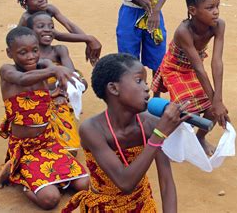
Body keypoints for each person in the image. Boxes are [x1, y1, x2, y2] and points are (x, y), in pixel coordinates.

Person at [62, 53, 188, 212]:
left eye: (146, 81)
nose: (146, 87)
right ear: (114, 88)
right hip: (104, 208)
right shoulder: (92, 129)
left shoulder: (150, 124)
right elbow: (125, 182)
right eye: (138, 81)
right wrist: (159, 135)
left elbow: (166, 183)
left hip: (142, 204)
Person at [0, 26, 89, 210]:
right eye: (23, 52)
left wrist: (66, 84)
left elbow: (54, 74)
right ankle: (18, 175)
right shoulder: (7, 71)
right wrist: (55, 72)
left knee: (84, 185)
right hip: (26, 149)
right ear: (9, 53)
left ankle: (47, 181)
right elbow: (23, 80)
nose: (30, 56)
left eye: (35, 50)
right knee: (50, 200)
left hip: (49, 143)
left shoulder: (45, 65)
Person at [151, 0, 230, 155]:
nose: (216, 11)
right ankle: (163, 141)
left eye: (217, 6)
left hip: (193, 69)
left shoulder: (219, 25)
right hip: (175, 69)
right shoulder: (183, 31)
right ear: (193, 11)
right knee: (184, 110)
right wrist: (215, 100)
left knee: (211, 108)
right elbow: (199, 68)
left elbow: (217, 61)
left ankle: (200, 138)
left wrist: (217, 100)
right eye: (210, 8)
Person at [26, 12, 84, 151]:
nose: (47, 29)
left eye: (51, 26)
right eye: (41, 26)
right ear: (30, 32)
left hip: (59, 96)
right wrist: (52, 90)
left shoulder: (59, 50)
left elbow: (71, 75)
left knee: (70, 150)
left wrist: (61, 94)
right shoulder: (27, 55)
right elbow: (27, 82)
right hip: (36, 99)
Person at [16, 0, 102, 65]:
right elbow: (57, 35)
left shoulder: (49, 9)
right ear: (25, 5)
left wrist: (87, 41)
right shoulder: (27, 18)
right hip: (30, 54)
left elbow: (69, 25)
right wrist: (88, 39)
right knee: (60, 52)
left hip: (43, 49)